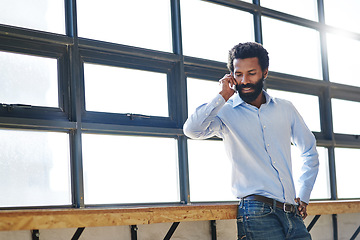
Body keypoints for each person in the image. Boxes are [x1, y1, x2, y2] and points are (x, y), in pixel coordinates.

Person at [183, 42, 319, 239]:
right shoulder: (225, 112)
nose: (244, 80)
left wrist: (304, 196)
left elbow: (310, 152)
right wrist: (222, 95)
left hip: (293, 212)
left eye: (251, 73)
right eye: (239, 74)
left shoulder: (286, 108)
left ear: (265, 73)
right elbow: (191, 130)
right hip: (257, 211)